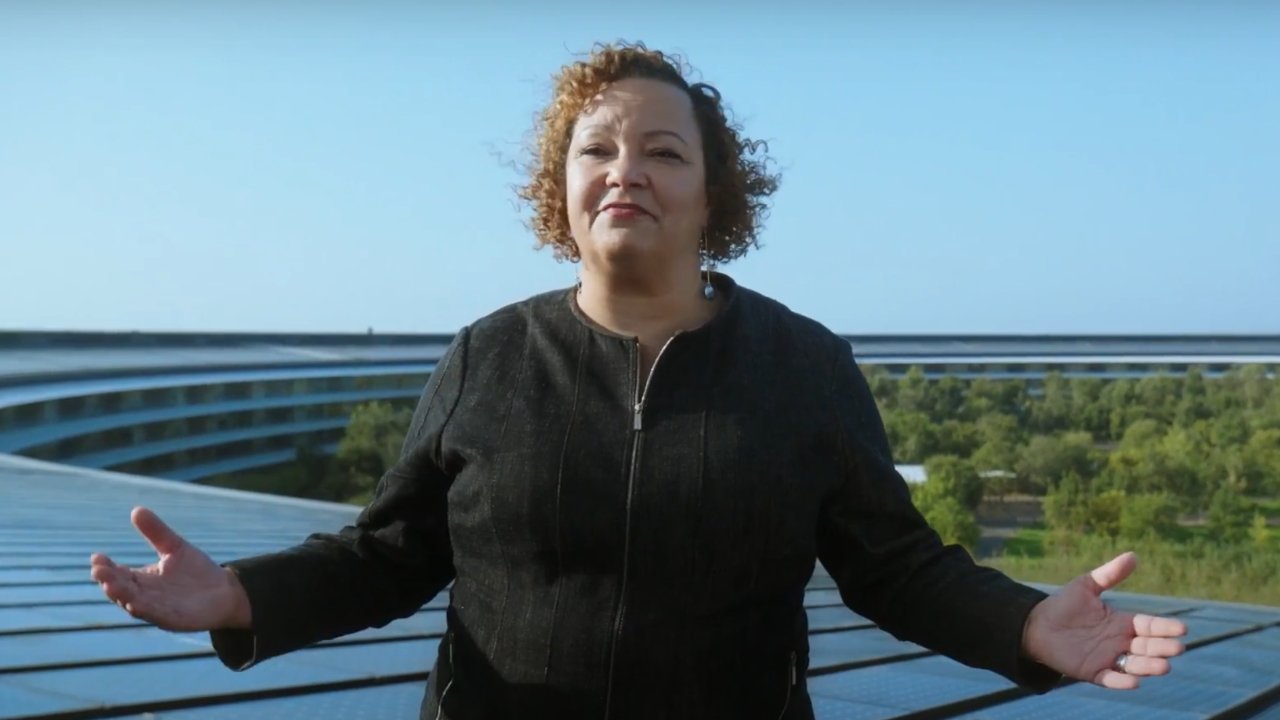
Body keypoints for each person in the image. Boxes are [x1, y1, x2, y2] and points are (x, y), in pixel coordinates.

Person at [90, 42, 1187, 719]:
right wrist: (240, 597)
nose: (626, 171)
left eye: (663, 152)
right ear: (559, 189)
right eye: (597, 150)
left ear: (713, 195)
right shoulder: (486, 355)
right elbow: (390, 555)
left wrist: (1023, 625)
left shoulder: (803, 365)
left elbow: (894, 568)